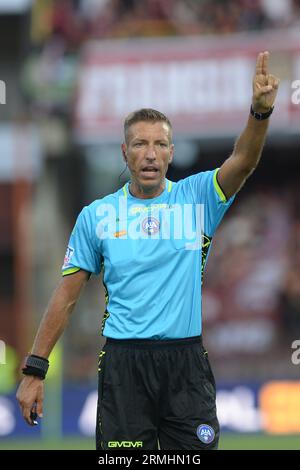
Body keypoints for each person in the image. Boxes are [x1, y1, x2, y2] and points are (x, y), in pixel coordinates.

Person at [17, 51, 279, 450]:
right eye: (140, 144)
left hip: (185, 365)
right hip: (124, 368)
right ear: (125, 153)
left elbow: (243, 161)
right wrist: (35, 369)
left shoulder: (197, 199)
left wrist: (259, 114)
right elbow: (66, 297)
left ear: (172, 152)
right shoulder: (98, 216)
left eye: (160, 144)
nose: (151, 153)